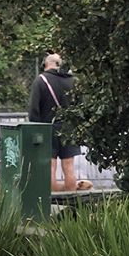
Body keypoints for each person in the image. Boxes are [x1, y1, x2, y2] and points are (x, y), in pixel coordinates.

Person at [28, 53, 89, 192]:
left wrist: (37, 128)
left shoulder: (41, 80)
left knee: (50, 166)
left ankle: (52, 200)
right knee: (69, 166)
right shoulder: (73, 81)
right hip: (69, 128)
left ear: (46, 64)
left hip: (47, 129)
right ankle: (71, 199)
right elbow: (81, 107)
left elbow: (33, 109)